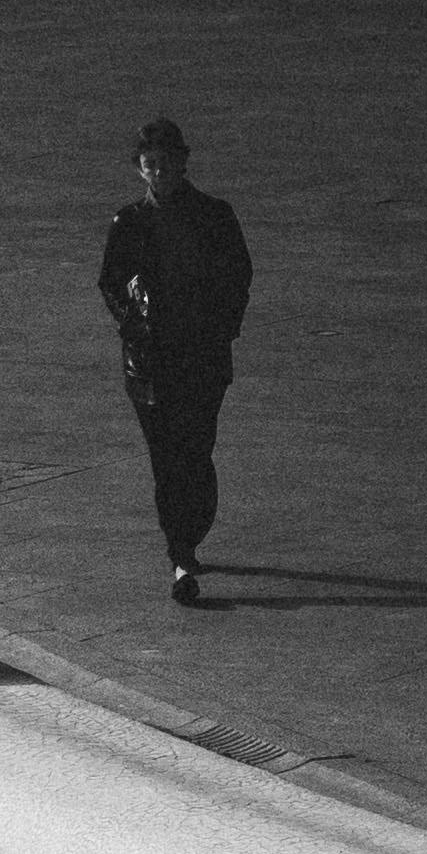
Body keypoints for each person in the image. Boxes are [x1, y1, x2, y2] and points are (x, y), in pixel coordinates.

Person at [98, 117, 251, 602]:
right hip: (150, 362)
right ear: (140, 170)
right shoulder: (129, 222)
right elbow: (111, 282)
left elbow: (238, 276)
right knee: (166, 458)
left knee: (196, 453)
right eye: (150, 166)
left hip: (201, 356)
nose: (158, 173)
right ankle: (180, 556)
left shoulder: (214, 216)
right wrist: (132, 321)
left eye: (166, 164)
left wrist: (223, 326)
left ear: (183, 164)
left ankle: (192, 530)